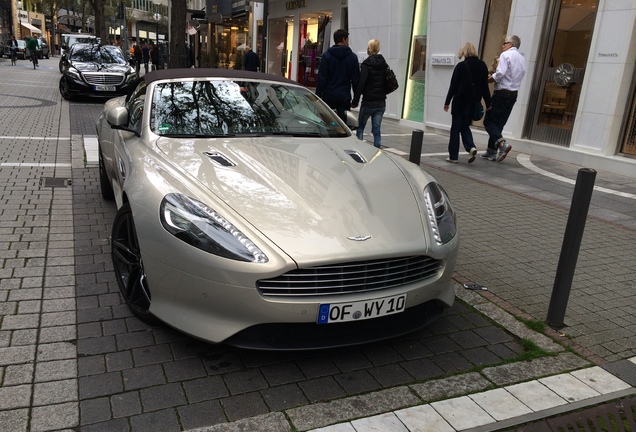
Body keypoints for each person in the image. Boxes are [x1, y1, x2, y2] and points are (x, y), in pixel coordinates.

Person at [443, 42, 491, 163]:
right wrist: (488, 103)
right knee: (465, 126)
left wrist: (447, 102)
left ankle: (453, 156)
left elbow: (453, 86)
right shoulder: (482, 66)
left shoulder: (461, 66)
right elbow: (485, 87)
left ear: (464, 52)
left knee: (455, 129)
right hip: (473, 103)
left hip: (460, 102)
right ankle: (471, 147)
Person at [481, 35, 526, 162]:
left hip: (502, 92)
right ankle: (491, 151)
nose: (502, 46)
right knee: (499, 123)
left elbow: (500, 73)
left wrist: (491, 79)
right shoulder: (521, 58)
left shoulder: (505, 55)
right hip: (513, 93)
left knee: (489, 121)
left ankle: (502, 144)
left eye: (505, 43)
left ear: (511, 44)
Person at [316, 29, 360, 123]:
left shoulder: (327, 56)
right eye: (347, 39)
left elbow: (322, 78)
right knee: (342, 124)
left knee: (327, 122)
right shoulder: (352, 57)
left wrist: (318, 96)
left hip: (328, 95)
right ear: (344, 39)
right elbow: (356, 80)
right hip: (344, 97)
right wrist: (355, 100)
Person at [351, 39, 388, 149]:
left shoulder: (366, 64)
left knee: (361, 127)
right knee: (376, 129)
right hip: (381, 102)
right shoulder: (384, 63)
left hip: (368, 101)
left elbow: (361, 83)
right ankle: (378, 149)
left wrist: (355, 100)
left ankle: (359, 148)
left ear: (369, 48)